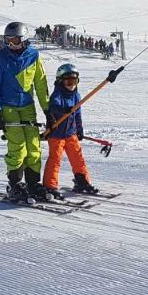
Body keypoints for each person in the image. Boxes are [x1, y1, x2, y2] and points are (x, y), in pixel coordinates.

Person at [0, 21, 51, 202]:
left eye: (14, 40)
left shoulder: (33, 56)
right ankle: (14, 183)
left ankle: (32, 183)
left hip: (27, 106)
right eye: (7, 40)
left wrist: (47, 110)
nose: (10, 44)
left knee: (34, 145)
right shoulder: (0, 58)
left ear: (24, 39)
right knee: (18, 145)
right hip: (8, 106)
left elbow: (40, 83)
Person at [43, 63, 99, 197]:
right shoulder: (57, 94)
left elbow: (77, 115)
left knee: (78, 158)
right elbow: (54, 106)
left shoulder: (76, 96)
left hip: (70, 133)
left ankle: (82, 181)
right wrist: (64, 110)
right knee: (55, 160)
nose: (71, 84)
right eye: (68, 81)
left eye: (74, 81)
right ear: (60, 81)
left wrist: (79, 129)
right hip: (56, 134)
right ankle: (50, 186)